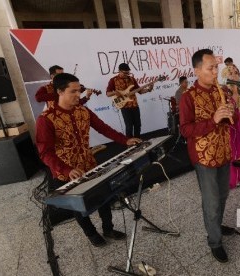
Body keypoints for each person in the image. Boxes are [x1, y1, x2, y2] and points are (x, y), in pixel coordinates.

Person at [36, 73, 142, 247]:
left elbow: (103, 128)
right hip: (65, 172)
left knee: (103, 198)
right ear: (60, 91)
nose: (79, 95)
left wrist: (125, 140)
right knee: (78, 206)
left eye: (79, 90)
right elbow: (45, 153)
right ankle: (91, 234)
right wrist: (66, 170)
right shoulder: (46, 119)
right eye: (73, 91)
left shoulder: (83, 110)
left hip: (88, 163)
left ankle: (108, 228)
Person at [179, 49, 236, 263]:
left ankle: (216, 224)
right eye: (210, 68)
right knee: (211, 202)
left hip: (223, 152)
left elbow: (234, 120)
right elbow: (185, 130)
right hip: (204, 158)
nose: (215, 71)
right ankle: (215, 241)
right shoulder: (188, 97)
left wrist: (232, 111)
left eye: (216, 67)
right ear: (197, 70)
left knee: (223, 196)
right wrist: (213, 120)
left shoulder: (220, 90)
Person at [106, 63, 153, 138]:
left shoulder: (132, 79)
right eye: (125, 73)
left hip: (134, 104)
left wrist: (149, 89)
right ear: (119, 71)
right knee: (129, 126)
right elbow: (108, 94)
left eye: (128, 73)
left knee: (138, 125)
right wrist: (115, 92)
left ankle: (137, 141)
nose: (127, 74)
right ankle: (130, 144)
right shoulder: (113, 80)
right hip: (124, 106)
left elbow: (140, 91)